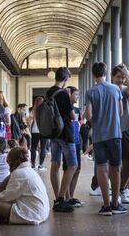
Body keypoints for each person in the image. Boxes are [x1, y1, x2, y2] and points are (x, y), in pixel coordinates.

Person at [84, 62, 127, 216]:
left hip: (99, 136)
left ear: (93, 74)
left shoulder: (90, 92)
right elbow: (121, 112)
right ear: (106, 72)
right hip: (115, 134)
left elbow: (88, 116)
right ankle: (116, 203)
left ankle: (106, 205)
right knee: (116, 168)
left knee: (102, 168)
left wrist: (95, 118)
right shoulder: (116, 89)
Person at [46, 67, 78, 213]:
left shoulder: (49, 92)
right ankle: (60, 199)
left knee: (55, 164)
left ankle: (57, 197)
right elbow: (72, 116)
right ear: (65, 79)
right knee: (72, 165)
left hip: (53, 134)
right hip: (65, 134)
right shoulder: (64, 94)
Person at [0, 147, 50, 225]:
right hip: (41, 212)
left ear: (12, 162)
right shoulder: (29, 170)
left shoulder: (19, 173)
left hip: (34, 214)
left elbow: (6, 197)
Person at [111, 64, 129, 204]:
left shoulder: (125, 90)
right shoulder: (109, 90)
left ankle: (122, 189)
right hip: (112, 130)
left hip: (126, 129)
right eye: (118, 77)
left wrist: (127, 73)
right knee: (114, 163)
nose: (121, 80)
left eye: (122, 77)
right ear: (112, 77)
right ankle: (116, 190)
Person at [62, 86, 82, 207]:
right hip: (68, 141)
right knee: (68, 168)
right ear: (69, 94)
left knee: (78, 169)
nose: (77, 97)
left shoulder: (77, 109)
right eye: (75, 94)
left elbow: (79, 124)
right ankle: (67, 196)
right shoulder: (65, 109)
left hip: (77, 141)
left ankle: (71, 196)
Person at [27, 96, 47, 170]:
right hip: (44, 131)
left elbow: (28, 121)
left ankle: (32, 165)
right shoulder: (46, 110)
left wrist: (29, 126)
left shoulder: (33, 110)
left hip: (35, 131)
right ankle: (41, 165)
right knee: (43, 148)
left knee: (34, 148)